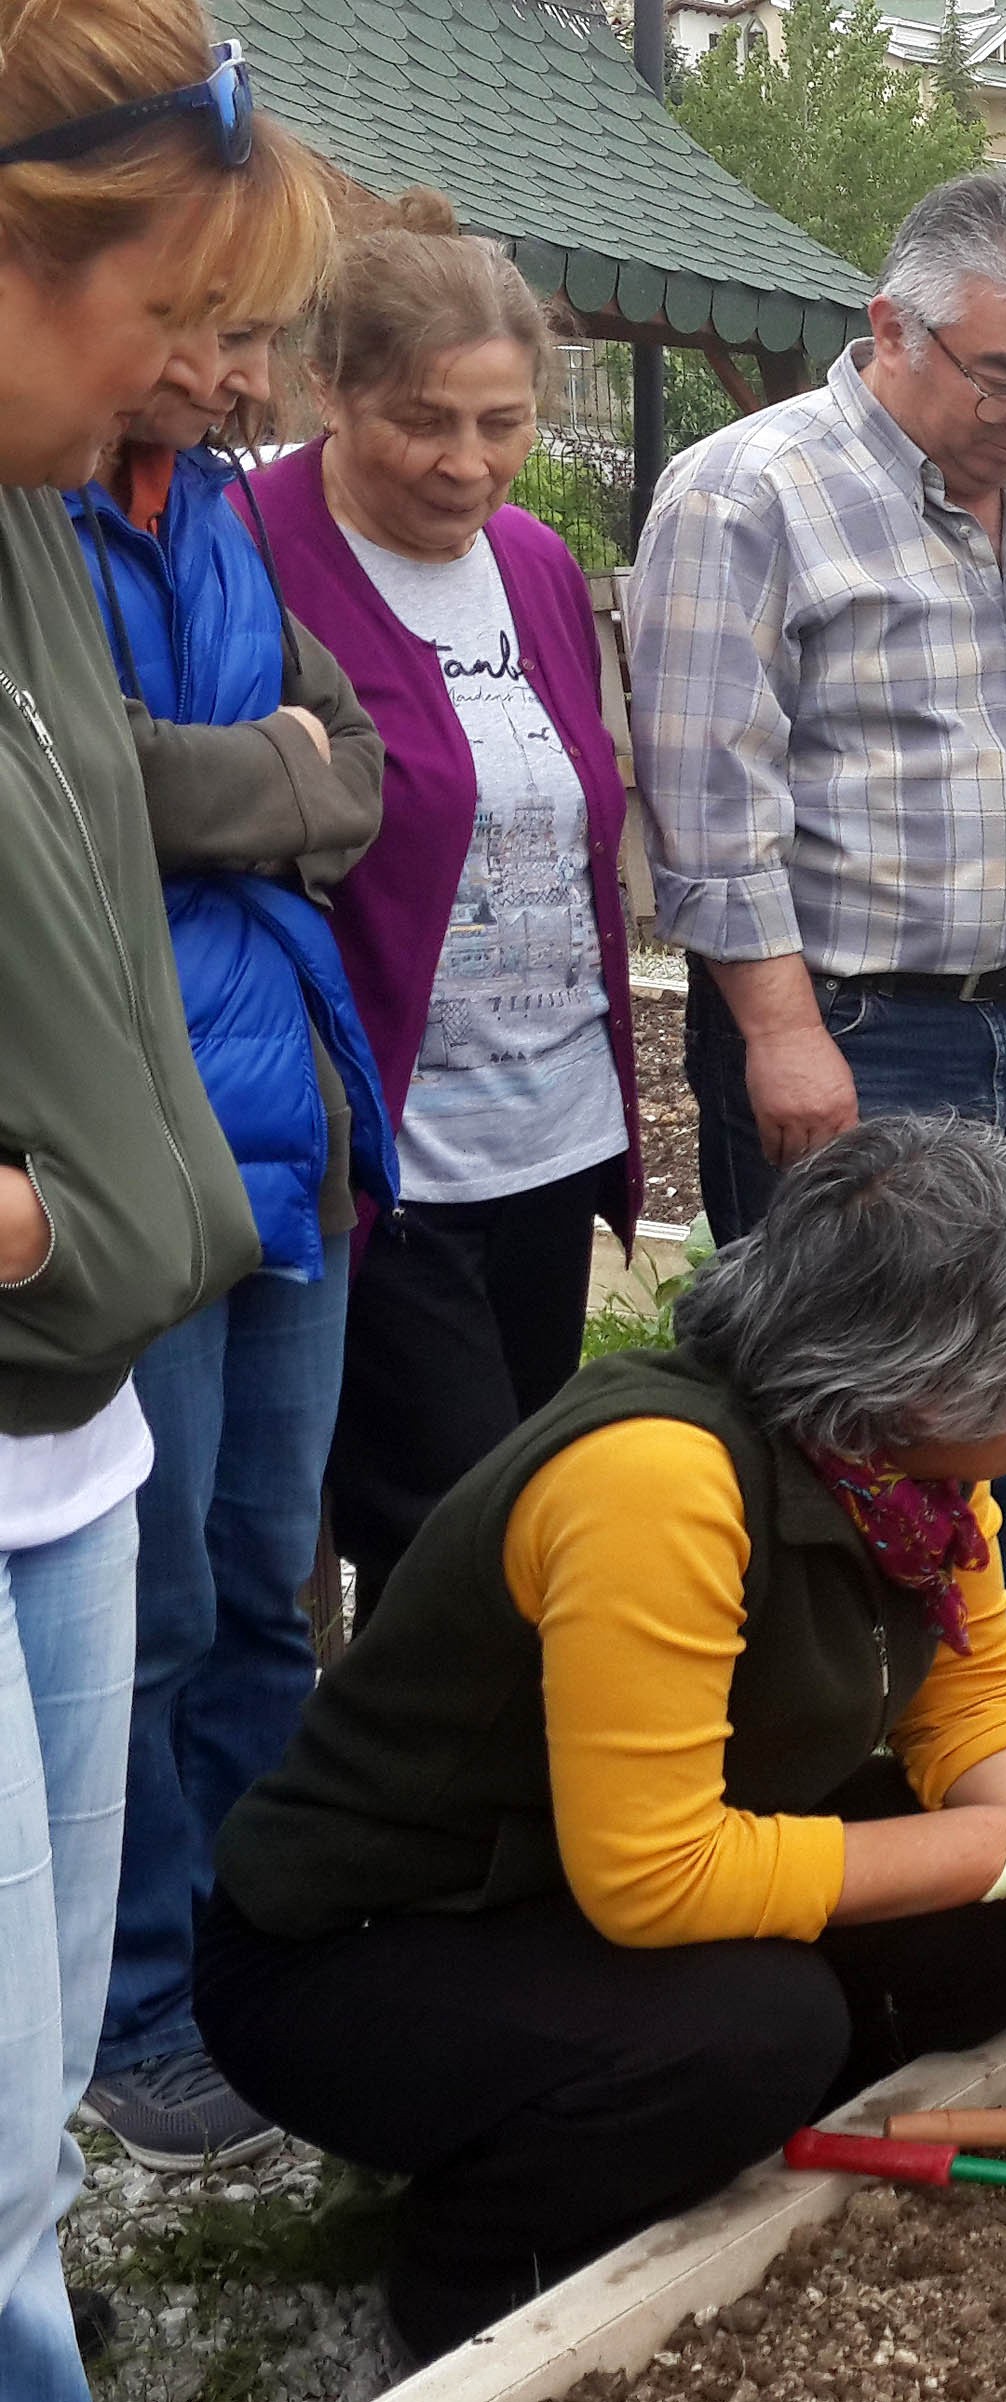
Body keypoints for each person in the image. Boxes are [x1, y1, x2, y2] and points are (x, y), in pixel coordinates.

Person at [197, 1115, 1006, 2364]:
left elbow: (971, 1701)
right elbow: (654, 1877)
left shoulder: (904, 1466)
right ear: (925, 1371)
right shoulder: (659, 1482)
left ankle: (700, 2142)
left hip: (557, 1887)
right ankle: (475, 2282)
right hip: (368, 1946)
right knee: (756, 2027)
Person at [630, 170, 1006, 1786]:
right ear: (890, 325)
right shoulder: (749, 498)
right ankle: (827, 1733)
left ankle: (1005, 1704)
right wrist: (779, 1032)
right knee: (856, 1407)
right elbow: (710, 795)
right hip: (849, 1025)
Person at [0, 3, 323, 2386]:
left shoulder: (35, 528)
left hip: (67, 1415)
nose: (185, 381)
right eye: (160, 318)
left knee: (16, 2146)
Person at [66, 246, 396, 2175]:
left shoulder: (212, 517)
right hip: (137, 1125)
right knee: (152, 1598)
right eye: (217, 332)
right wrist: (246, 776)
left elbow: (346, 769)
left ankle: (264, 1958)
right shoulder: (41, 522)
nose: (239, 369)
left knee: (272, 1573)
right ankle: (131, 2002)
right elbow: (80, 781)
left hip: (289, 1119)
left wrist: (238, 779)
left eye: (258, 335)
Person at [248, 194, 642, 1619]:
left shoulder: (531, 564)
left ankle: (477, 1817)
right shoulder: (255, 547)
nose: (468, 463)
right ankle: (446, 1823)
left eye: (503, 422)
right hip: (384, 1153)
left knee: (525, 1509)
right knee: (457, 1541)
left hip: (547, 1132)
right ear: (329, 387)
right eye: (425, 420)